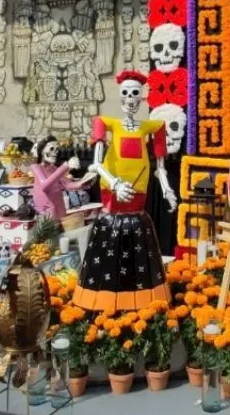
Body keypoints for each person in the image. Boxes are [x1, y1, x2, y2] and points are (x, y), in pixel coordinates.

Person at [72, 71, 174, 313]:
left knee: (139, 249)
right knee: (110, 246)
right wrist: (115, 183)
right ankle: (102, 299)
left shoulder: (152, 126)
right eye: (126, 93)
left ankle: (141, 298)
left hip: (138, 200)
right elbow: (96, 164)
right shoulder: (108, 124)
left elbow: (160, 167)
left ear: (142, 98)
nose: (130, 99)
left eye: (135, 93)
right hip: (113, 199)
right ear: (120, 97)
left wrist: (168, 189)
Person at [30, 136, 94, 220]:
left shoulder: (53, 168)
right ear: (42, 150)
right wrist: (66, 166)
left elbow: (67, 185)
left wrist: (83, 183)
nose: (55, 152)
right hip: (47, 209)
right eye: (51, 149)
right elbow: (44, 186)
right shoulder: (36, 167)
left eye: (57, 149)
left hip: (59, 207)